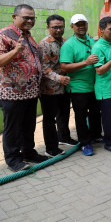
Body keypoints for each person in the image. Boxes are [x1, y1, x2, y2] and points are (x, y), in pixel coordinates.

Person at [0, 4, 47, 172]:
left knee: (29, 125)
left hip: (31, 91)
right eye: (26, 17)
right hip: (12, 93)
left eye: (32, 18)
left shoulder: (28, 35)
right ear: (14, 17)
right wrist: (15, 51)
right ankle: (13, 159)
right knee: (13, 128)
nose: (30, 20)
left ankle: (28, 152)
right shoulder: (4, 34)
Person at [60, 14, 102, 156]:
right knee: (81, 116)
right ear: (72, 27)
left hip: (94, 85)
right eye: (78, 24)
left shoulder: (90, 40)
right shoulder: (69, 45)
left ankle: (95, 135)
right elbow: (64, 67)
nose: (81, 26)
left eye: (83, 23)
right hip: (78, 87)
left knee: (96, 113)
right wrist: (86, 62)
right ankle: (85, 143)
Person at [39, 15, 76, 158]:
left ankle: (64, 137)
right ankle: (51, 148)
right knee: (49, 120)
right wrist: (59, 78)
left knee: (64, 113)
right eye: (55, 27)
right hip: (49, 89)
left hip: (64, 87)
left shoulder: (65, 42)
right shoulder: (44, 44)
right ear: (48, 27)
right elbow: (44, 68)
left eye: (61, 27)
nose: (58, 30)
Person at [92, 16, 111, 153]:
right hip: (105, 90)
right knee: (108, 118)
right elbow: (99, 71)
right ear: (102, 29)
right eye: (110, 29)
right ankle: (109, 143)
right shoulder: (97, 47)